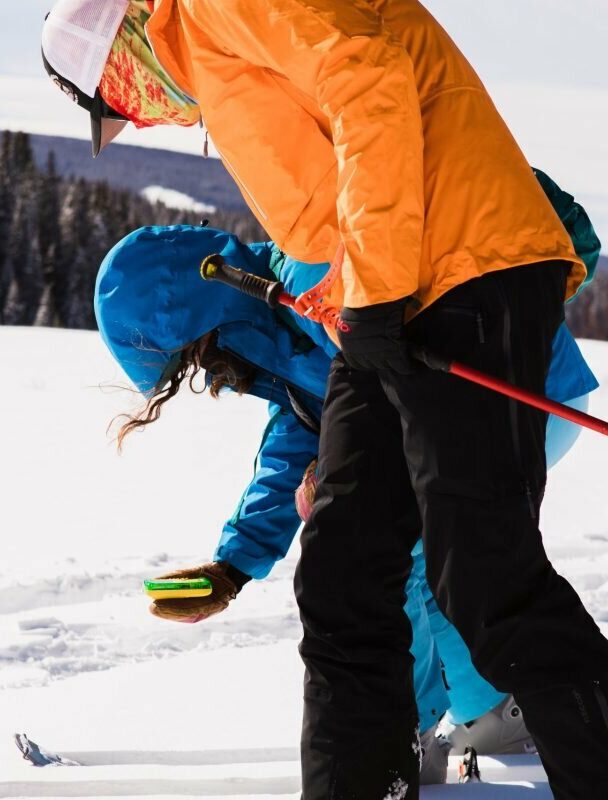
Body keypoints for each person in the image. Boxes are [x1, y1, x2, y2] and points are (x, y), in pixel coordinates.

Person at [44, 1, 608, 796]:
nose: (137, 118)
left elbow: (368, 77)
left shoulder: (213, 9)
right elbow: (297, 424)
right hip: (389, 296)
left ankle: (494, 722)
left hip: (454, 271)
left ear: (115, 62)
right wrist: (237, 566)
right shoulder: (211, 66)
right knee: (344, 568)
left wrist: (373, 296)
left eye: (117, 105)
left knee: (475, 571)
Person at [95, 210, 597, 783]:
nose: (207, 374)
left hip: (516, 388)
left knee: (385, 549)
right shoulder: (269, 328)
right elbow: (298, 436)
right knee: (425, 556)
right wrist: (233, 566)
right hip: (482, 400)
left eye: (192, 357)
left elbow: (385, 383)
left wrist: (339, 471)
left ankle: (405, 729)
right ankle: (488, 712)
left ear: (200, 311)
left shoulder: (305, 282)